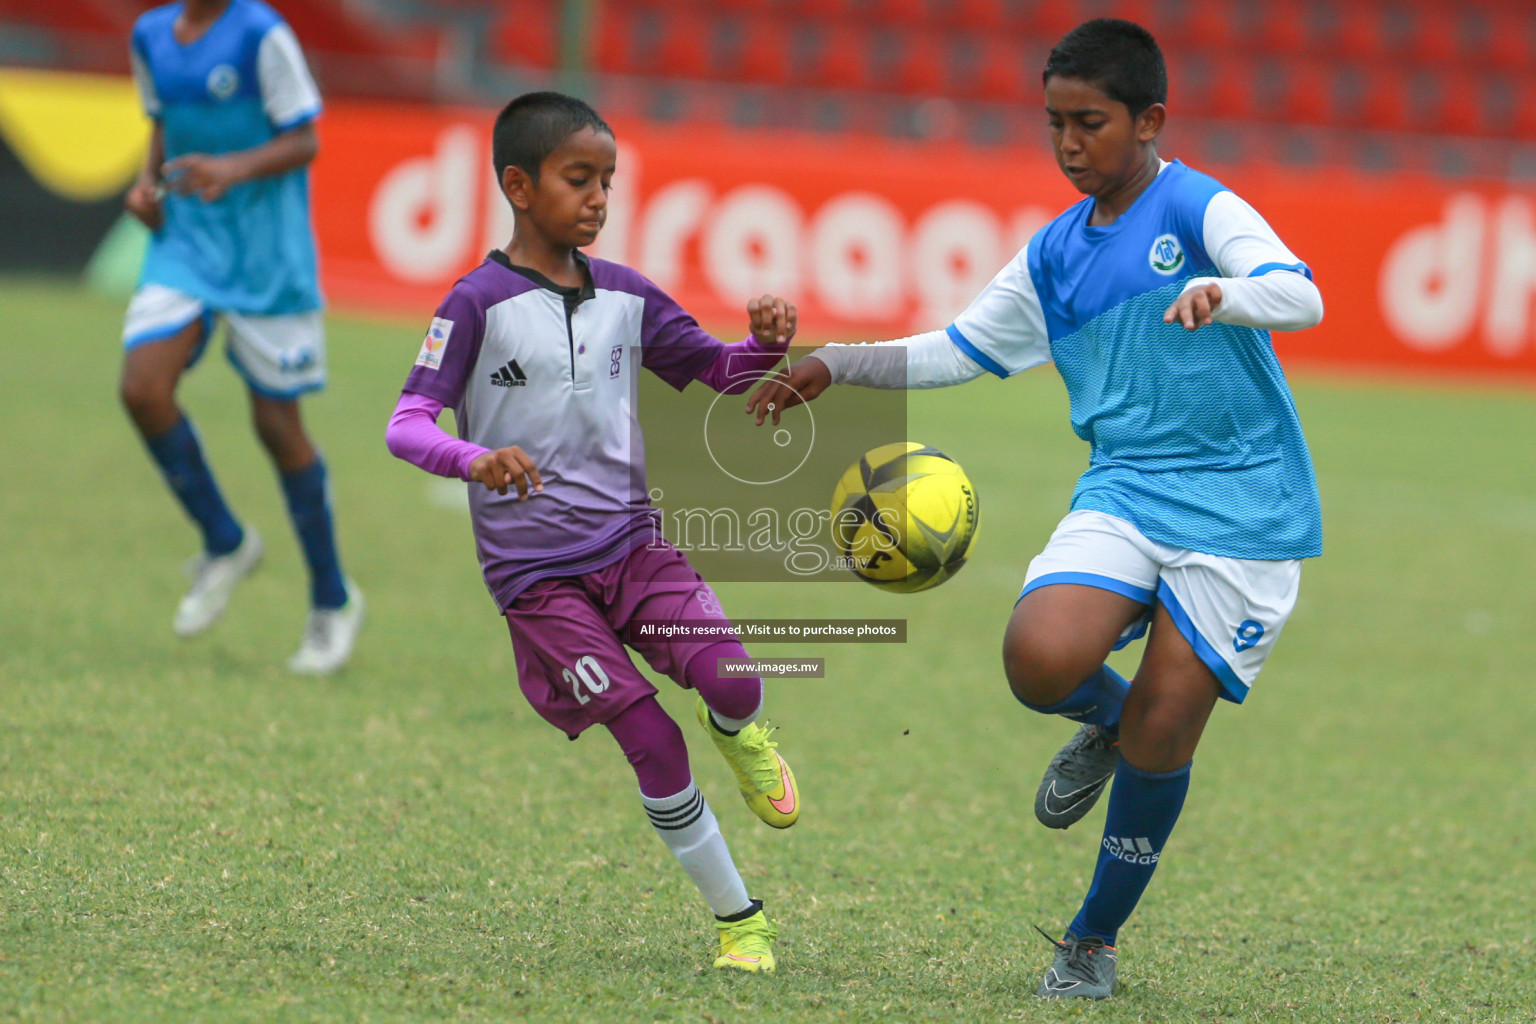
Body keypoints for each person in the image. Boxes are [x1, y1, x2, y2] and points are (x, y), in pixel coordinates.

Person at [747, 19, 1323, 1000]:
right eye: (1053, 123)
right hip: (1130, 486)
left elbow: (1298, 293)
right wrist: (839, 363)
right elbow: (961, 347)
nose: (1067, 145)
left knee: (1169, 725)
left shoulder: (1196, 206)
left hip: (1244, 505)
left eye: (1089, 123)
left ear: (1150, 121)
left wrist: (1223, 293)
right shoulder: (1055, 253)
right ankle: (1107, 721)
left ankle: (1090, 940)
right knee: (1039, 655)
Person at [385, 92, 803, 973]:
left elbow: (720, 373)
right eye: (580, 179)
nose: (599, 198)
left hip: (633, 550)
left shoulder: (626, 295)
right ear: (519, 185)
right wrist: (473, 458)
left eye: (608, 181)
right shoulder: (474, 303)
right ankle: (742, 923)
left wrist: (763, 346)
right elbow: (408, 421)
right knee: (650, 737)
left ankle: (741, 734)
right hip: (537, 582)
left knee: (733, 681)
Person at [120, 0, 362, 673]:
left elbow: (305, 139)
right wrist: (146, 186)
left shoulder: (261, 33)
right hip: (187, 244)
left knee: (277, 428)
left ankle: (331, 601)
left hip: (266, 255)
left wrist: (231, 169)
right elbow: (160, 122)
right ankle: (225, 542)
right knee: (142, 388)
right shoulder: (149, 35)